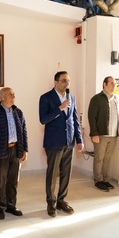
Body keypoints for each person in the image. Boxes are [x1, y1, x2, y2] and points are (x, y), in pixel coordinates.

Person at [39, 71, 84, 216]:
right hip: (54, 142)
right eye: (64, 80)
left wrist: (79, 140)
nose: (67, 83)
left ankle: (61, 200)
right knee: (52, 174)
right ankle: (51, 203)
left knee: (66, 173)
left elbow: (74, 120)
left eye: (68, 81)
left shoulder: (72, 97)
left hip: (69, 141)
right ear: (56, 82)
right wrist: (60, 108)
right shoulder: (46, 97)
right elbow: (43, 119)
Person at [0, 87, 29, 219]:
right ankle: (1, 208)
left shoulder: (18, 112)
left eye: (14, 94)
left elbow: (24, 131)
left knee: (13, 181)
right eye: (10, 95)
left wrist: (25, 149)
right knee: (0, 182)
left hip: (16, 150)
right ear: (2, 97)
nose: (13, 96)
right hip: (0, 151)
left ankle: (11, 206)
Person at [87, 76, 119, 191]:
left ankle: (105, 179)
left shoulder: (117, 100)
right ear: (104, 84)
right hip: (101, 135)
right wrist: (94, 133)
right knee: (99, 158)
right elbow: (91, 117)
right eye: (111, 83)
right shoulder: (97, 99)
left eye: (115, 84)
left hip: (113, 135)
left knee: (107, 159)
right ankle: (98, 180)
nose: (114, 86)